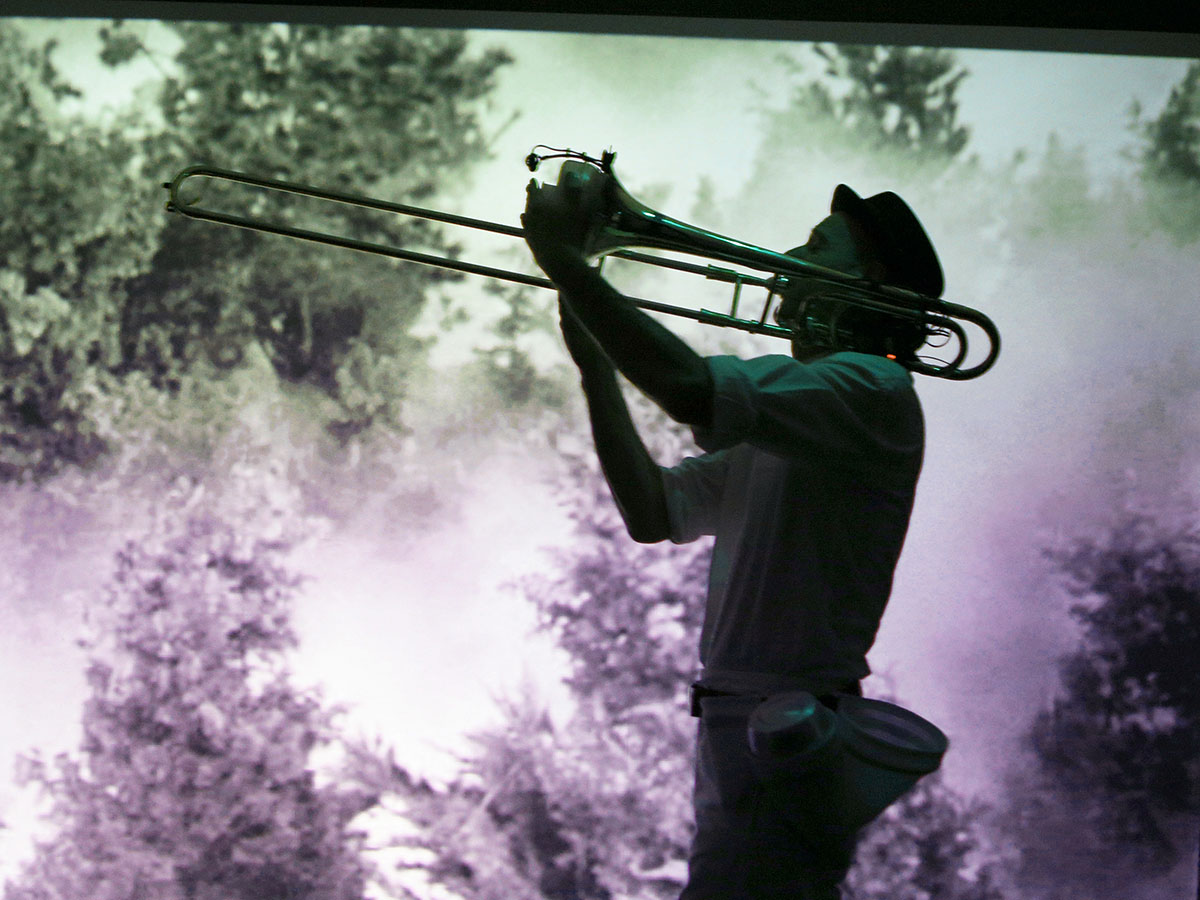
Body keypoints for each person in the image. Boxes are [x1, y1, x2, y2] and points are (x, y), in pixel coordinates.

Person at [522, 175, 942, 899]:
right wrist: (596, 366)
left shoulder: (872, 389)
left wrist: (567, 264)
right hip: (748, 727)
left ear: (868, 280)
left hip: (780, 730)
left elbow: (690, 387)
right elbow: (655, 511)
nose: (784, 259)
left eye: (816, 247)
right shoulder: (807, 415)